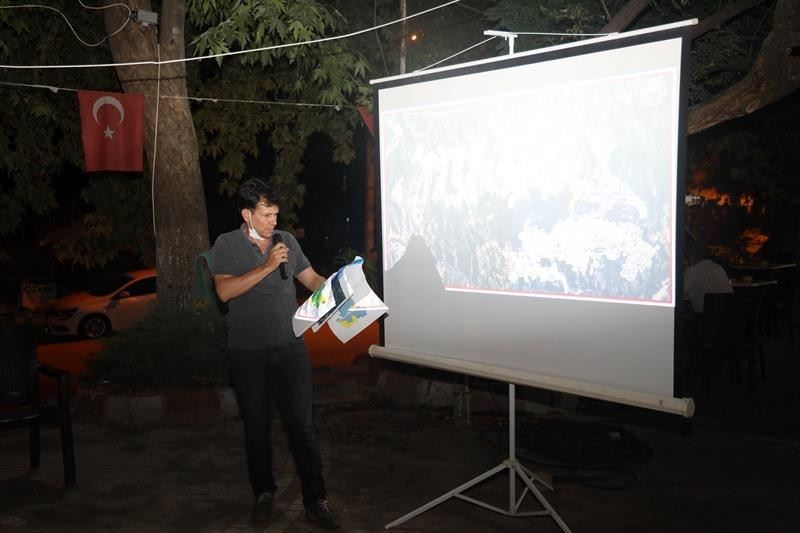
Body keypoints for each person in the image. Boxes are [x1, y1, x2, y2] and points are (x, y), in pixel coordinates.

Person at [211, 178, 341, 529]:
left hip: (290, 349)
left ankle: (316, 500)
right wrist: (267, 266)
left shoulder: (287, 241)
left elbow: (311, 279)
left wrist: (338, 288)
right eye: (266, 214)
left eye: (275, 214)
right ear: (247, 214)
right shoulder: (227, 244)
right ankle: (264, 493)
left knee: (303, 426)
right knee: (257, 428)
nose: (274, 221)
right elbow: (224, 291)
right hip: (247, 354)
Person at [682, 240, 733, 314]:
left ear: (691, 256)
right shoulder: (719, 268)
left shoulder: (692, 270)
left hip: (704, 317)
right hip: (727, 315)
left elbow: (679, 293)